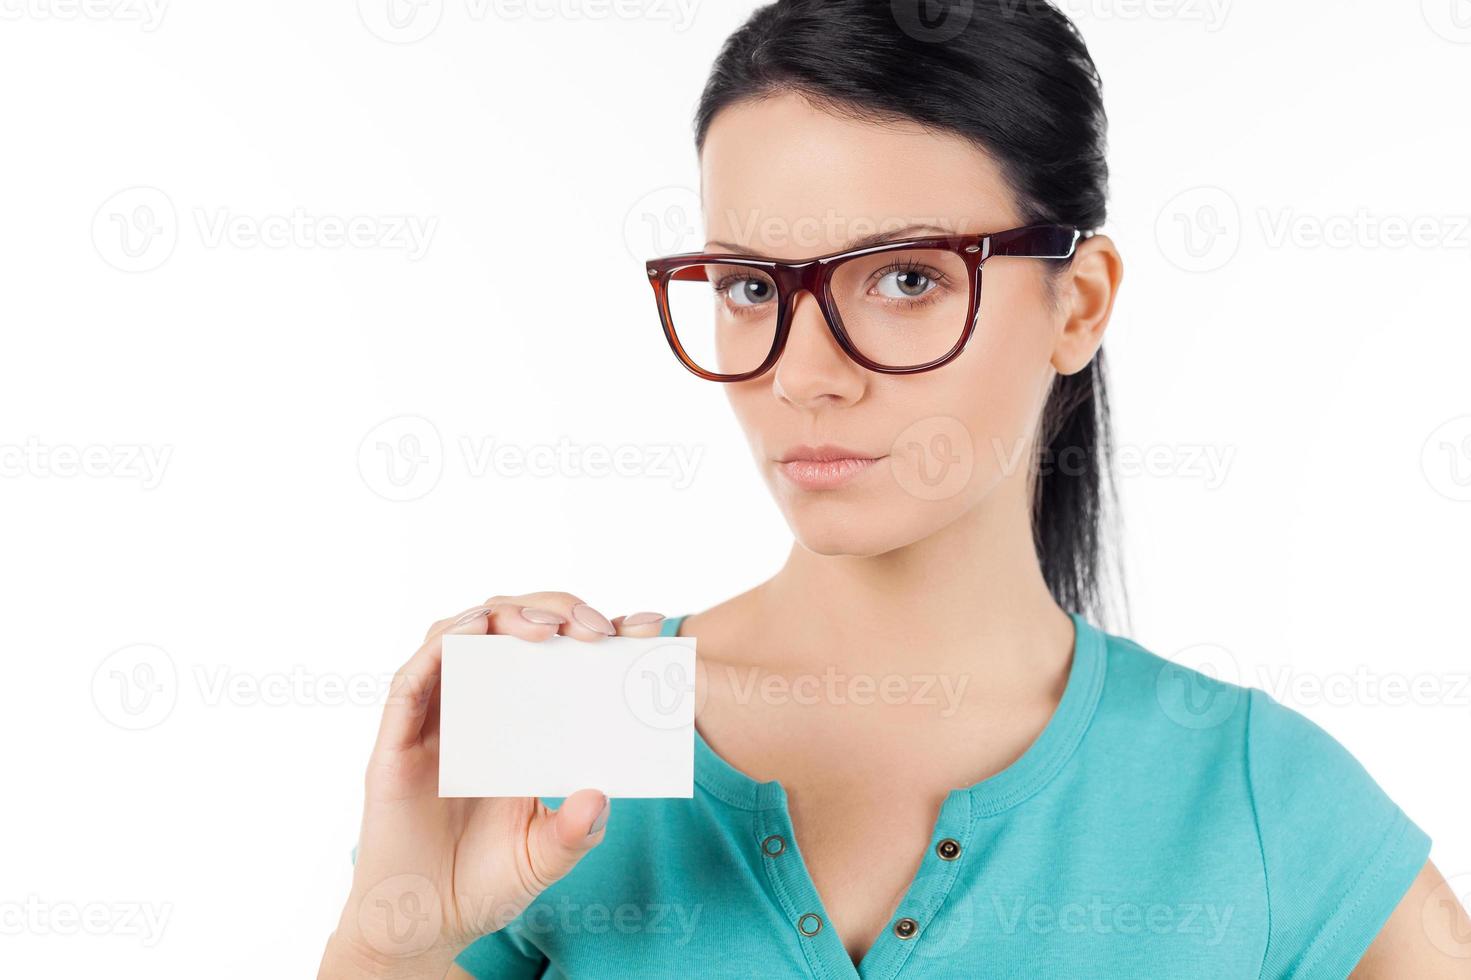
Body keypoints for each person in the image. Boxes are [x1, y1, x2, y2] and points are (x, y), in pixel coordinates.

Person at [318, 2, 1470, 976]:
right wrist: (392, 927)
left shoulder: (1254, 797)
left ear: (1078, 303)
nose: (804, 373)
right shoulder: (571, 751)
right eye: (749, 287)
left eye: (907, 278)